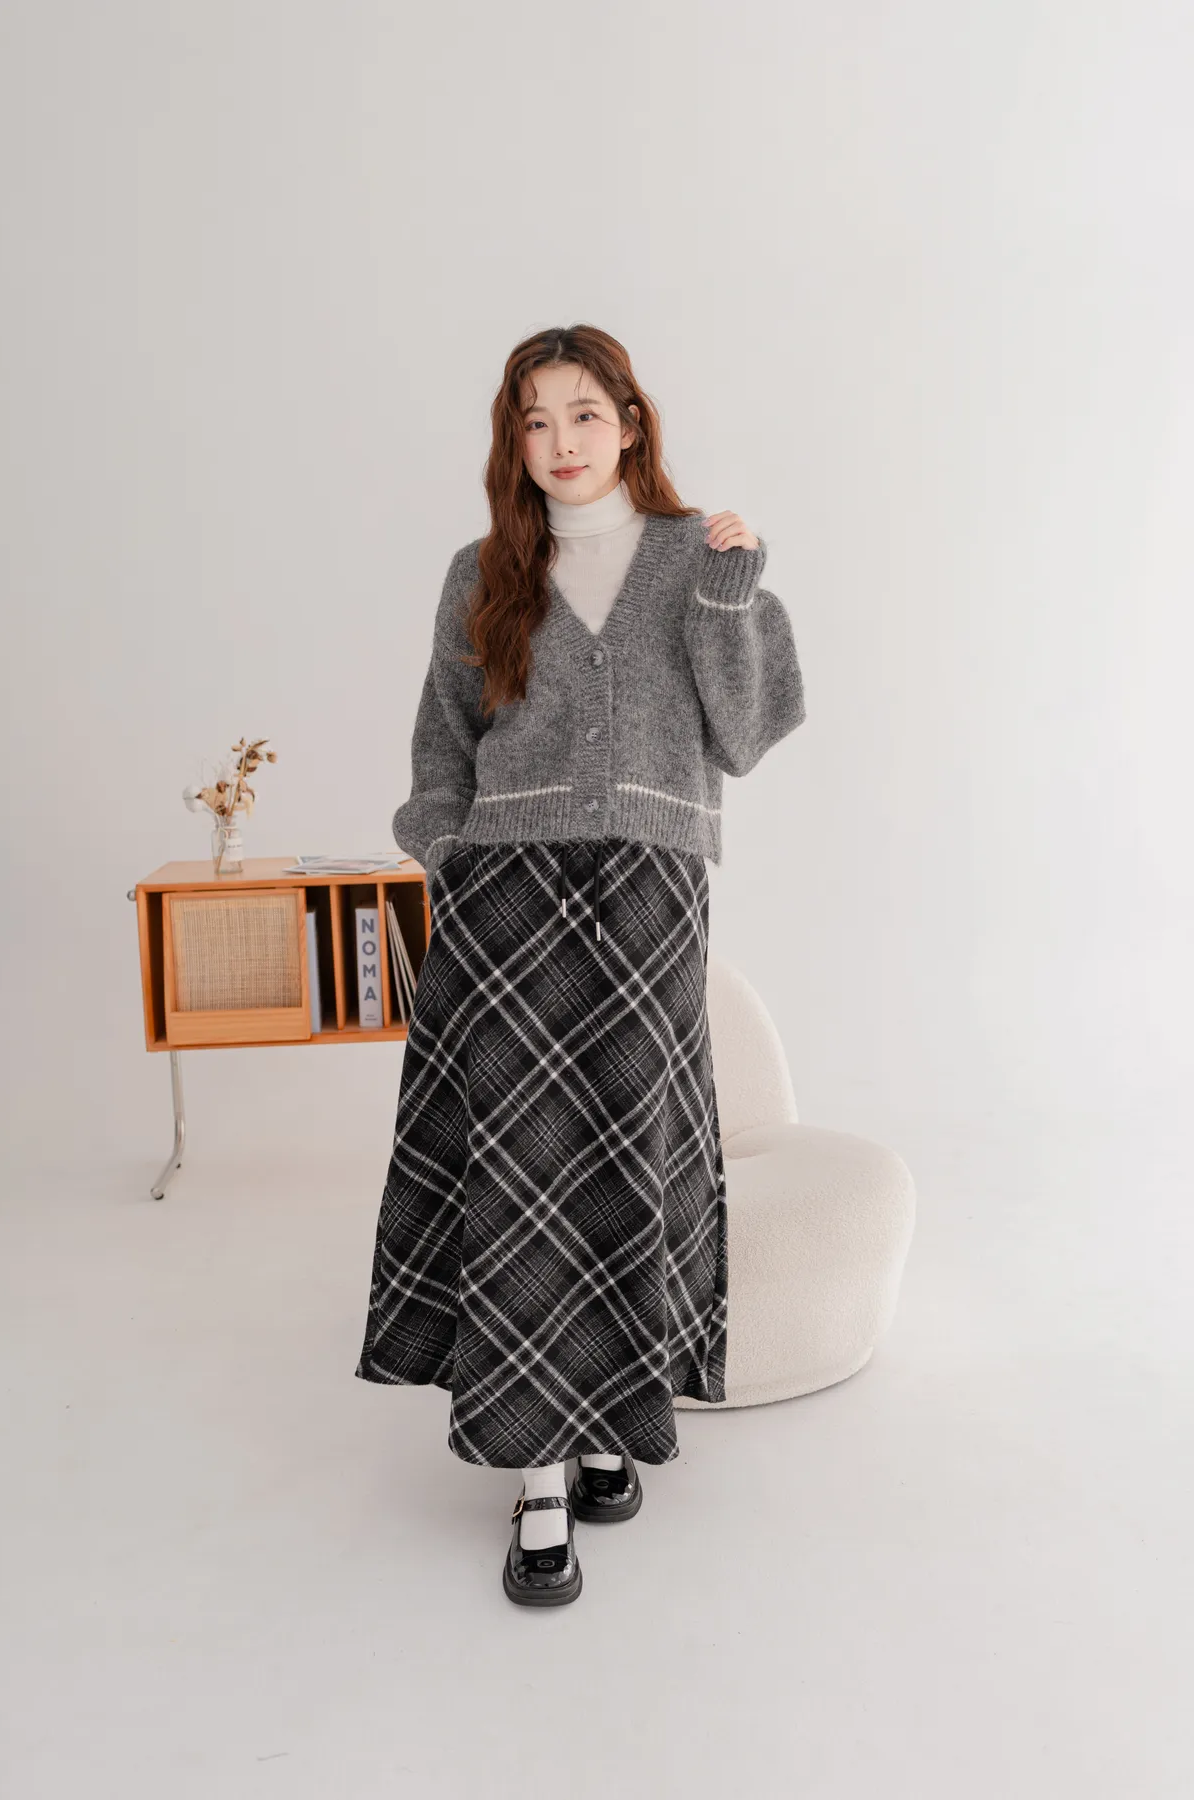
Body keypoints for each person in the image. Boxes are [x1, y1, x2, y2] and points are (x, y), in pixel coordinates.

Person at [355, 322, 807, 1607]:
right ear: (515, 441)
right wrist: (448, 854)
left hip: (651, 896)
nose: (560, 442)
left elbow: (748, 732)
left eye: (584, 414)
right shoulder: (482, 570)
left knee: (628, 1156)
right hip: (505, 905)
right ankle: (539, 1475)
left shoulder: (697, 557)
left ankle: (613, 1419)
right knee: (522, 1172)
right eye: (535, 420)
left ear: (631, 422)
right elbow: (443, 738)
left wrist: (731, 595)